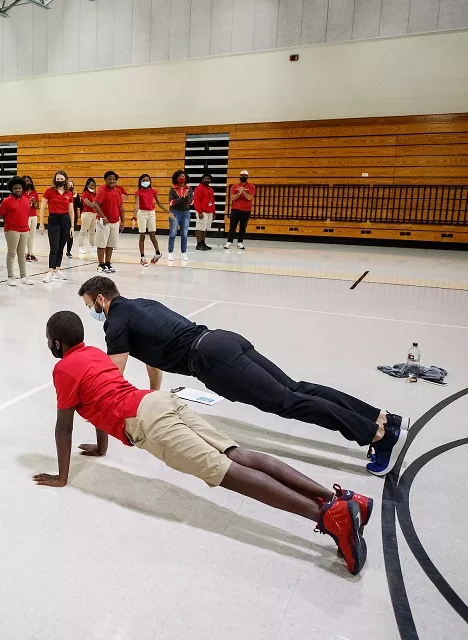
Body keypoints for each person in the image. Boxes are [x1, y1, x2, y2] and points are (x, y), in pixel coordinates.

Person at [34, 310, 372, 576]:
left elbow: (65, 425)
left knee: (227, 473)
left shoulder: (64, 369)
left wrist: (62, 477)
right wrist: (102, 448)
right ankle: (340, 499)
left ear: (57, 344)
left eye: (50, 340)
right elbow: (99, 400)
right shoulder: (93, 353)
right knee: (239, 455)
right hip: (159, 401)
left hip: (148, 421)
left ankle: (330, 517)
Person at [77, 276, 407, 477]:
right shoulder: (141, 304)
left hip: (209, 360)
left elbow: (112, 379)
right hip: (223, 339)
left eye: (90, 304)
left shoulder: (114, 322)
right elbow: (153, 357)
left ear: (102, 299)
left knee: (288, 402)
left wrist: (108, 426)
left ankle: (377, 436)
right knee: (295, 387)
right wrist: (155, 393)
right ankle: (381, 418)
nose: (91, 311)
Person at [39, 170, 75, 283]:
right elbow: (43, 208)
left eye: (61, 179)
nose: (59, 181)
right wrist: (41, 223)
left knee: (61, 247)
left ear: (65, 180)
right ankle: (50, 271)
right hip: (53, 219)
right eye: (57, 179)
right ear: (55, 180)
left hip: (65, 220)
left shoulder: (68, 193)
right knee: (54, 247)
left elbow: (71, 210)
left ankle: (57, 269)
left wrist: (72, 226)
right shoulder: (49, 191)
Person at [0, 176, 35, 287]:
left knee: (21, 254)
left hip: (24, 229)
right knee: (11, 253)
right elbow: (1, 215)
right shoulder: (6, 201)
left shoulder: (26, 201)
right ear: (11, 189)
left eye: (19, 188)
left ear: (22, 188)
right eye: (15, 188)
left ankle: (23, 276)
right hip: (11, 230)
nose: (17, 190)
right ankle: (10, 277)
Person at [87, 171, 124, 274]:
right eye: (109, 179)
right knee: (102, 244)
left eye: (113, 179)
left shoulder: (117, 191)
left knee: (111, 244)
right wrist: (103, 216)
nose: (112, 181)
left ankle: (108, 263)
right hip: (104, 221)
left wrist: (123, 221)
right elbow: (95, 204)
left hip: (115, 221)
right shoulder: (102, 190)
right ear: (105, 180)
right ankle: (100, 264)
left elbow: (121, 206)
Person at [134, 173, 169, 266]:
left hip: (151, 213)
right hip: (142, 213)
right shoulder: (138, 192)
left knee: (152, 235)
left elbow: (160, 203)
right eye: (143, 180)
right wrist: (134, 216)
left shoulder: (153, 191)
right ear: (140, 182)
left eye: (147, 180)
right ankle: (142, 257)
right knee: (142, 235)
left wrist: (168, 211)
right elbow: (137, 205)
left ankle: (158, 252)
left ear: (150, 182)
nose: (146, 182)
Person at [166, 169, 193, 264]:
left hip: (186, 212)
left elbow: (191, 202)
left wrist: (187, 198)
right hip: (175, 212)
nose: (182, 178)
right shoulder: (173, 188)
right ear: (176, 178)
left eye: (183, 176)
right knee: (173, 232)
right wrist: (182, 198)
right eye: (180, 176)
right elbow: (171, 202)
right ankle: (170, 252)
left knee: (184, 234)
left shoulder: (189, 188)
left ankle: (183, 252)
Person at [227, 169, 255, 250]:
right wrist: (239, 193)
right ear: (239, 176)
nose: (243, 177)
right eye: (242, 175)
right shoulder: (234, 186)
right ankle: (229, 242)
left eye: (245, 176)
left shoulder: (251, 186)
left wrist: (243, 191)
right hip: (235, 209)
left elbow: (249, 197)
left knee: (243, 227)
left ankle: (240, 242)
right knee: (232, 226)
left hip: (246, 210)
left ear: (247, 177)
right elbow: (232, 197)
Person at [193, 173, 216, 251]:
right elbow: (196, 200)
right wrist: (199, 212)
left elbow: (212, 201)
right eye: (205, 178)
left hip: (210, 211)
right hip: (202, 212)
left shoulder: (210, 189)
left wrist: (213, 212)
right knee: (200, 227)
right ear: (202, 179)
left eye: (208, 178)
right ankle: (198, 244)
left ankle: (203, 243)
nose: (207, 180)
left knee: (205, 228)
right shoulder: (199, 188)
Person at [77, 178, 97, 257]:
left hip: (94, 214)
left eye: (94, 185)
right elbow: (88, 203)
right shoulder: (85, 193)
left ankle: (92, 246)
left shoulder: (95, 194)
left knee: (92, 231)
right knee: (83, 230)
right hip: (86, 214)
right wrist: (96, 205)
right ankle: (80, 247)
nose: (92, 187)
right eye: (91, 185)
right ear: (87, 185)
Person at [22, 176, 39, 262]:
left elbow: (36, 207)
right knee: (26, 236)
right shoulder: (21, 193)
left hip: (34, 216)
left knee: (31, 236)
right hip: (25, 216)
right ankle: (23, 253)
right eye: (24, 181)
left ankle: (30, 253)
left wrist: (34, 202)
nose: (26, 183)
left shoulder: (34, 193)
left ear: (31, 182)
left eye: (28, 181)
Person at [65, 179, 77, 259]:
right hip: (65, 216)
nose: (70, 187)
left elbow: (80, 205)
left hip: (73, 217)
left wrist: (76, 197)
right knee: (63, 235)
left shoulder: (76, 195)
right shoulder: (65, 194)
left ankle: (68, 251)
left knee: (70, 235)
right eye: (69, 185)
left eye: (72, 185)